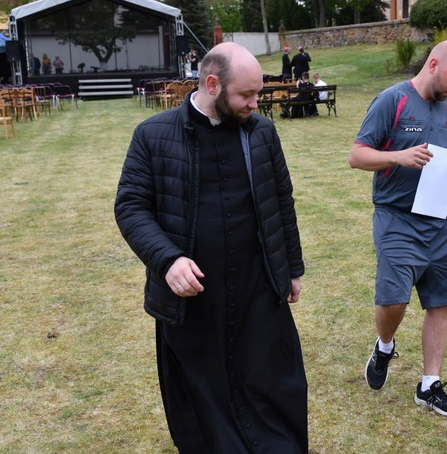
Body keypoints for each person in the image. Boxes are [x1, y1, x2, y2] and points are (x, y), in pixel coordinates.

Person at [115, 42, 308, 453]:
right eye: (246, 95)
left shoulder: (262, 133)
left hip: (258, 287)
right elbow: (130, 207)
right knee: (205, 397)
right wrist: (167, 260)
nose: (255, 103)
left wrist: (291, 267)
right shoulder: (152, 134)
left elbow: (282, 200)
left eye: (258, 94)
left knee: (275, 383)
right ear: (212, 83)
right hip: (193, 300)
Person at [349, 40, 447, 417]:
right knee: (394, 299)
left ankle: (429, 385)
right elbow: (357, 155)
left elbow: (440, 163)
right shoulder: (392, 100)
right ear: (433, 64)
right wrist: (397, 157)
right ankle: (384, 345)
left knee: (441, 300)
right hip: (396, 218)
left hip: (439, 220)